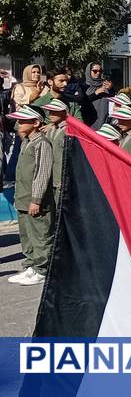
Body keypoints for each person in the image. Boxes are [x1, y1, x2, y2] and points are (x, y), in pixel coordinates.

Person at [8, 105, 53, 286]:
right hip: (23, 198)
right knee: (27, 235)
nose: (18, 123)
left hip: (35, 201)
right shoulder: (27, 141)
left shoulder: (41, 143)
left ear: (36, 123)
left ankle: (42, 268)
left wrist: (36, 200)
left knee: (40, 235)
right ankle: (31, 264)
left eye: (23, 120)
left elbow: (42, 173)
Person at [84, 62, 113, 129]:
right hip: (89, 123)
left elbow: (112, 99)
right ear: (89, 71)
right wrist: (96, 93)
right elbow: (83, 102)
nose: (98, 73)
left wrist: (111, 89)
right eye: (95, 71)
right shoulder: (85, 86)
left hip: (104, 124)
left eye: (100, 71)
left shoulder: (105, 84)